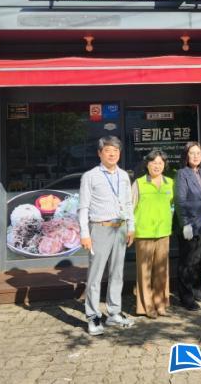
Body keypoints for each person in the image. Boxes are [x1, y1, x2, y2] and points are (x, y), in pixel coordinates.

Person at [78, 136, 135, 336]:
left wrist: (131, 227)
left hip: (120, 228)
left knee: (117, 273)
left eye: (116, 151)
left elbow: (128, 204)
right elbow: (83, 207)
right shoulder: (90, 176)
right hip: (99, 228)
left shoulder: (123, 176)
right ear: (99, 153)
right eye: (108, 150)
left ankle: (114, 312)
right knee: (95, 275)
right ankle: (93, 316)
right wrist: (84, 233)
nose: (112, 154)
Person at [132, 149, 173, 319]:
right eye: (154, 162)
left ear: (164, 165)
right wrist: (130, 229)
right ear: (147, 165)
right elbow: (131, 206)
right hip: (144, 233)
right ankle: (146, 306)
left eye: (160, 163)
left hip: (163, 232)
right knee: (145, 271)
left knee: (162, 270)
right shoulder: (139, 183)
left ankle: (160, 304)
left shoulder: (170, 183)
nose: (157, 166)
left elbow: (172, 205)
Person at [174, 142, 201, 311]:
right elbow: (180, 200)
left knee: (197, 260)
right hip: (189, 225)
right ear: (186, 156)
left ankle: (196, 290)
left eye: (198, 153)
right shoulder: (182, 174)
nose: (196, 156)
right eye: (192, 153)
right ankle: (186, 296)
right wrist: (185, 223)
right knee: (187, 262)